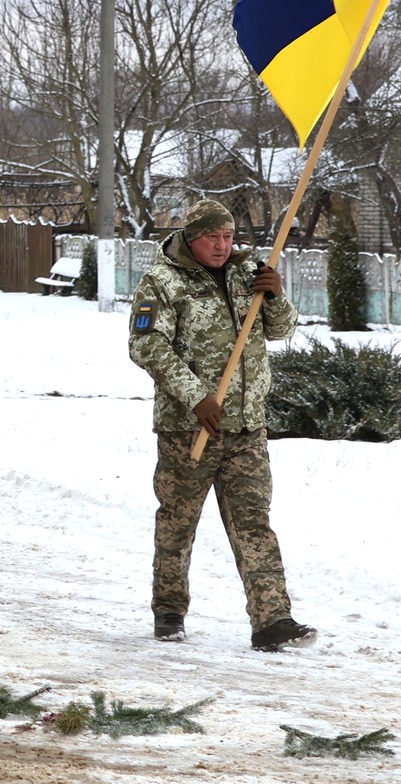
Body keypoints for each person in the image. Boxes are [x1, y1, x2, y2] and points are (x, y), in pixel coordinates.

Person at [128, 199, 315, 652]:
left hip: (246, 427)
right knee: (178, 523)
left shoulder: (246, 273)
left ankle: (272, 620)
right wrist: (196, 397)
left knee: (254, 524)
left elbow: (281, 331)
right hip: (188, 429)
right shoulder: (163, 281)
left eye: (228, 236)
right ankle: (169, 611)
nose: (222, 245)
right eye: (213, 237)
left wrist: (275, 295)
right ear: (192, 238)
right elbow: (146, 346)